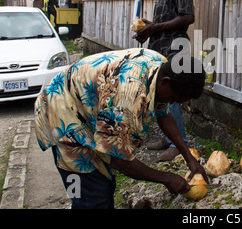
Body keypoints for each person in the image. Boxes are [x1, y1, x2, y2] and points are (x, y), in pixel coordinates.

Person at [34, 48, 208, 209]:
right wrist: (167, 178)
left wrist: (189, 158)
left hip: (86, 108)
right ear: (166, 82)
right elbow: (119, 159)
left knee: (104, 184)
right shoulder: (127, 97)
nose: (171, 103)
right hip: (63, 113)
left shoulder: (161, 66)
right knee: (90, 195)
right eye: (173, 98)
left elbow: (163, 113)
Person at [134, 0, 195, 162]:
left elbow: (188, 17)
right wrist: (149, 29)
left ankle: (179, 145)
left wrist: (155, 27)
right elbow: (164, 24)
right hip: (162, 49)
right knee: (160, 93)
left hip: (175, 48)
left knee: (172, 93)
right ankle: (167, 138)